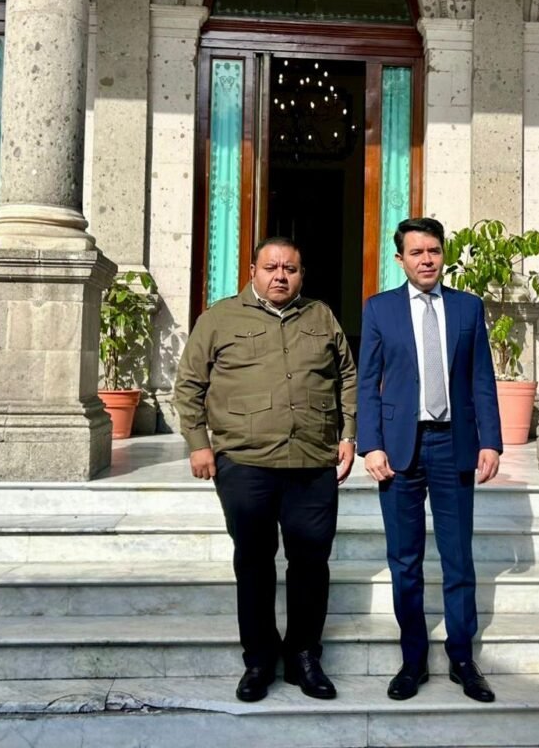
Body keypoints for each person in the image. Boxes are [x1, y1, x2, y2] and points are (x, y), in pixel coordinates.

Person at [173, 236, 357, 703]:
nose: (280, 276)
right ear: (252, 271)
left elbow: (348, 377)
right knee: (254, 562)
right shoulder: (219, 318)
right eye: (271, 267)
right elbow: (189, 385)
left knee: (310, 562)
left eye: (290, 269)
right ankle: (258, 659)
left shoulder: (321, 316)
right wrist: (199, 445)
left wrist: (349, 435)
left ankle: (304, 656)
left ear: (301, 274)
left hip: (312, 462)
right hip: (245, 463)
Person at [356, 217, 502, 703]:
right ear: (400, 259)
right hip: (400, 448)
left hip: (453, 443)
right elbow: (367, 383)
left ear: (444, 255)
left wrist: (490, 441)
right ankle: (413, 659)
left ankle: (462, 657)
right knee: (405, 560)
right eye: (416, 252)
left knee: (458, 557)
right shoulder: (379, 309)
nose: (426, 260)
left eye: (434, 251)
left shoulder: (467, 307)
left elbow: (481, 378)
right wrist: (371, 444)